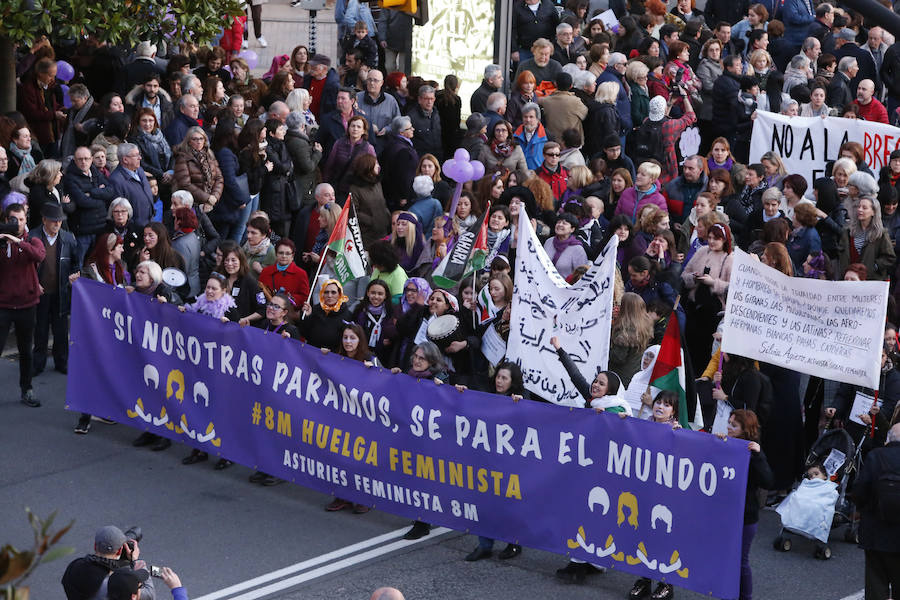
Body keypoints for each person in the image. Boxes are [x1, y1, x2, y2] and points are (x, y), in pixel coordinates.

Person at [0, 203, 45, 407]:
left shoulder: (32, 240)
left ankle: (27, 389)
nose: (17, 223)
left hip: (27, 304)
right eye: (13, 219)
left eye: (21, 219)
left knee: (26, 351)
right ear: (5, 219)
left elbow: (39, 255)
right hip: (3, 305)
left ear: (26, 220)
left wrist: (17, 241)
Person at [29, 203, 78, 378]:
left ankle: (62, 362)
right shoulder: (32, 237)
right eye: (53, 220)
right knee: (40, 329)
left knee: (61, 330)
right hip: (40, 292)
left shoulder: (68, 238)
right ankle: (38, 364)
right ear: (44, 220)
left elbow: (75, 264)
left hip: (60, 291)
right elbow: (26, 266)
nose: (57, 224)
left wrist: (74, 274)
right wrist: (34, 282)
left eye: (59, 220)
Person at [61, 525, 152, 600]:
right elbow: (149, 595)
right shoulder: (117, 582)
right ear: (119, 551)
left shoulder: (75, 566)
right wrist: (136, 561)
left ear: (95, 546)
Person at [838, 196, 896, 281]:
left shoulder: (881, 234)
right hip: (849, 279)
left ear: (873, 212)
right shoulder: (848, 232)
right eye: (859, 207)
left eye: (864, 208)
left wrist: (874, 266)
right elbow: (841, 253)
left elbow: (890, 257)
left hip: (871, 280)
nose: (860, 210)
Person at [109, 142, 156, 228]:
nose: (140, 158)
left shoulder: (139, 170)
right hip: (135, 228)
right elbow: (119, 210)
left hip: (149, 224)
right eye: (136, 155)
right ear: (125, 160)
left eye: (139, 154)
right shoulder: (116, 180)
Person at [300, 279, 352, 350]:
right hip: (313, 351)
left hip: (335, 354)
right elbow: (304, 333)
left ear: (339, 294)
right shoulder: (315, 310)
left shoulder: (347, 314)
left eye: (333, 292)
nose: (329, 295)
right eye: (326, 292)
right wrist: (307, 317)